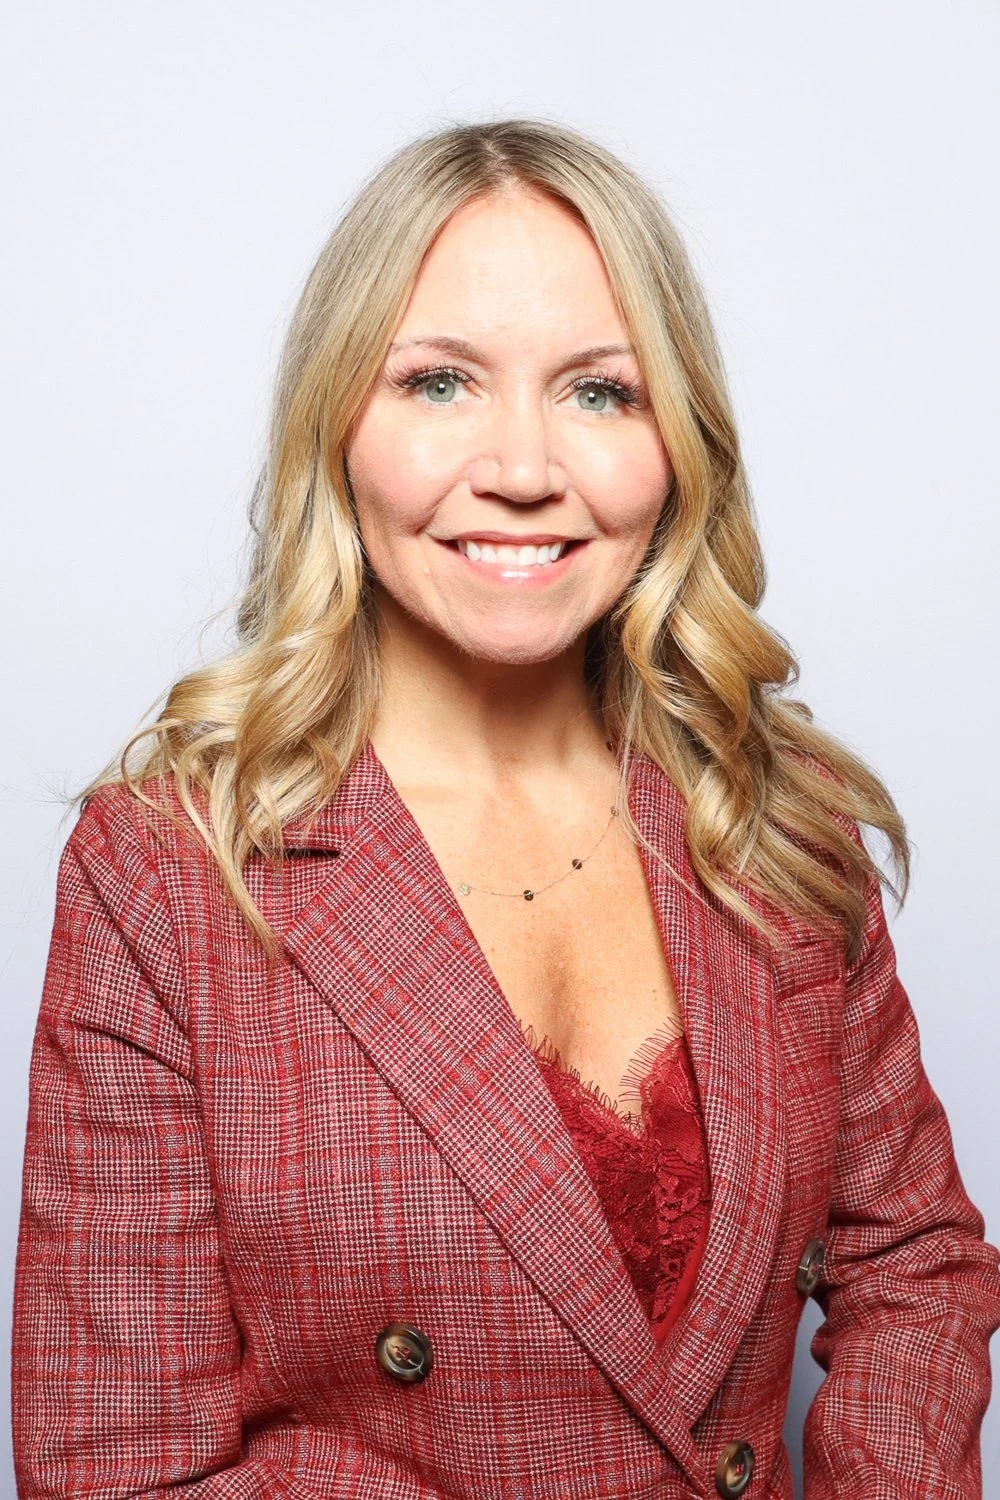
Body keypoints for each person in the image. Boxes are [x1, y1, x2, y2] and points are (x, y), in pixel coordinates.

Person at [11, 117, 1000, 1500]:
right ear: (337, 424)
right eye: (440, 384)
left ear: (677, 440)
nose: (524, 467)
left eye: (600, 391)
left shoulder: (781, 827)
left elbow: (918, 1263)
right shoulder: (172, 872)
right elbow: (116, 1461)